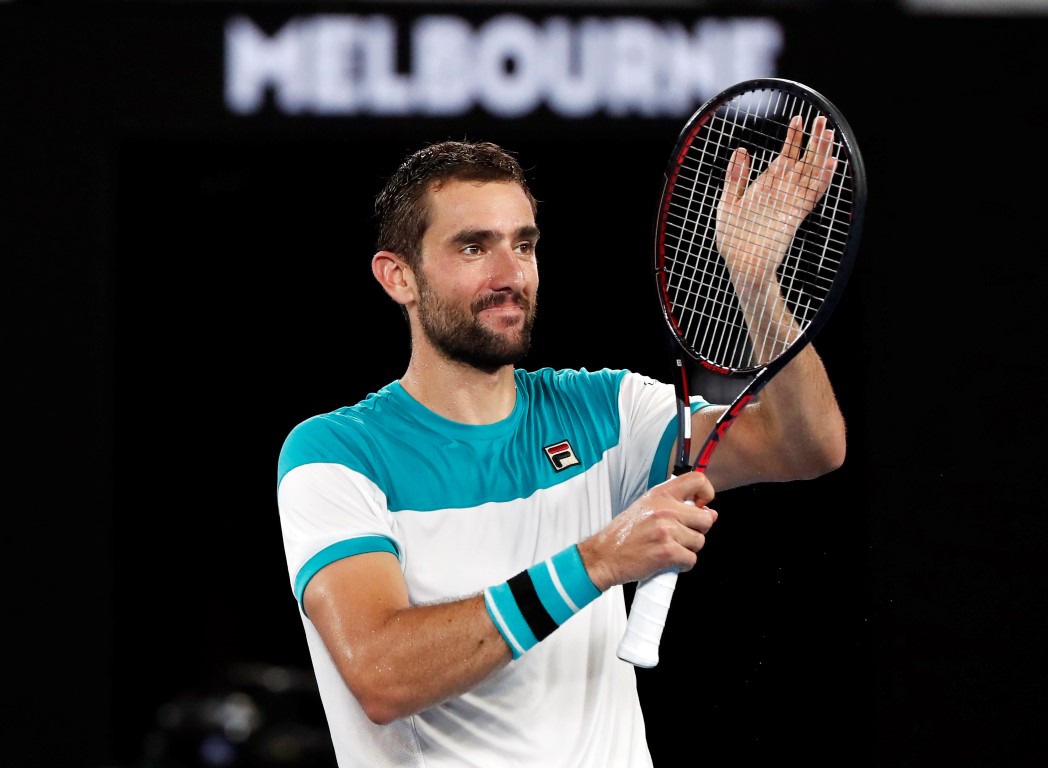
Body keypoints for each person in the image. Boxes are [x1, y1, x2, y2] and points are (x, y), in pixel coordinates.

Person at [276, 131, 847, 767]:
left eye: (524, 244)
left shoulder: (605, 410)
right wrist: (598, 561)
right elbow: (382, 676)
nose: (510, 274)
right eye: (474, 247)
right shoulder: (336, 454)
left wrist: (754, 279)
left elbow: (806, 446)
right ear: (399, 277)